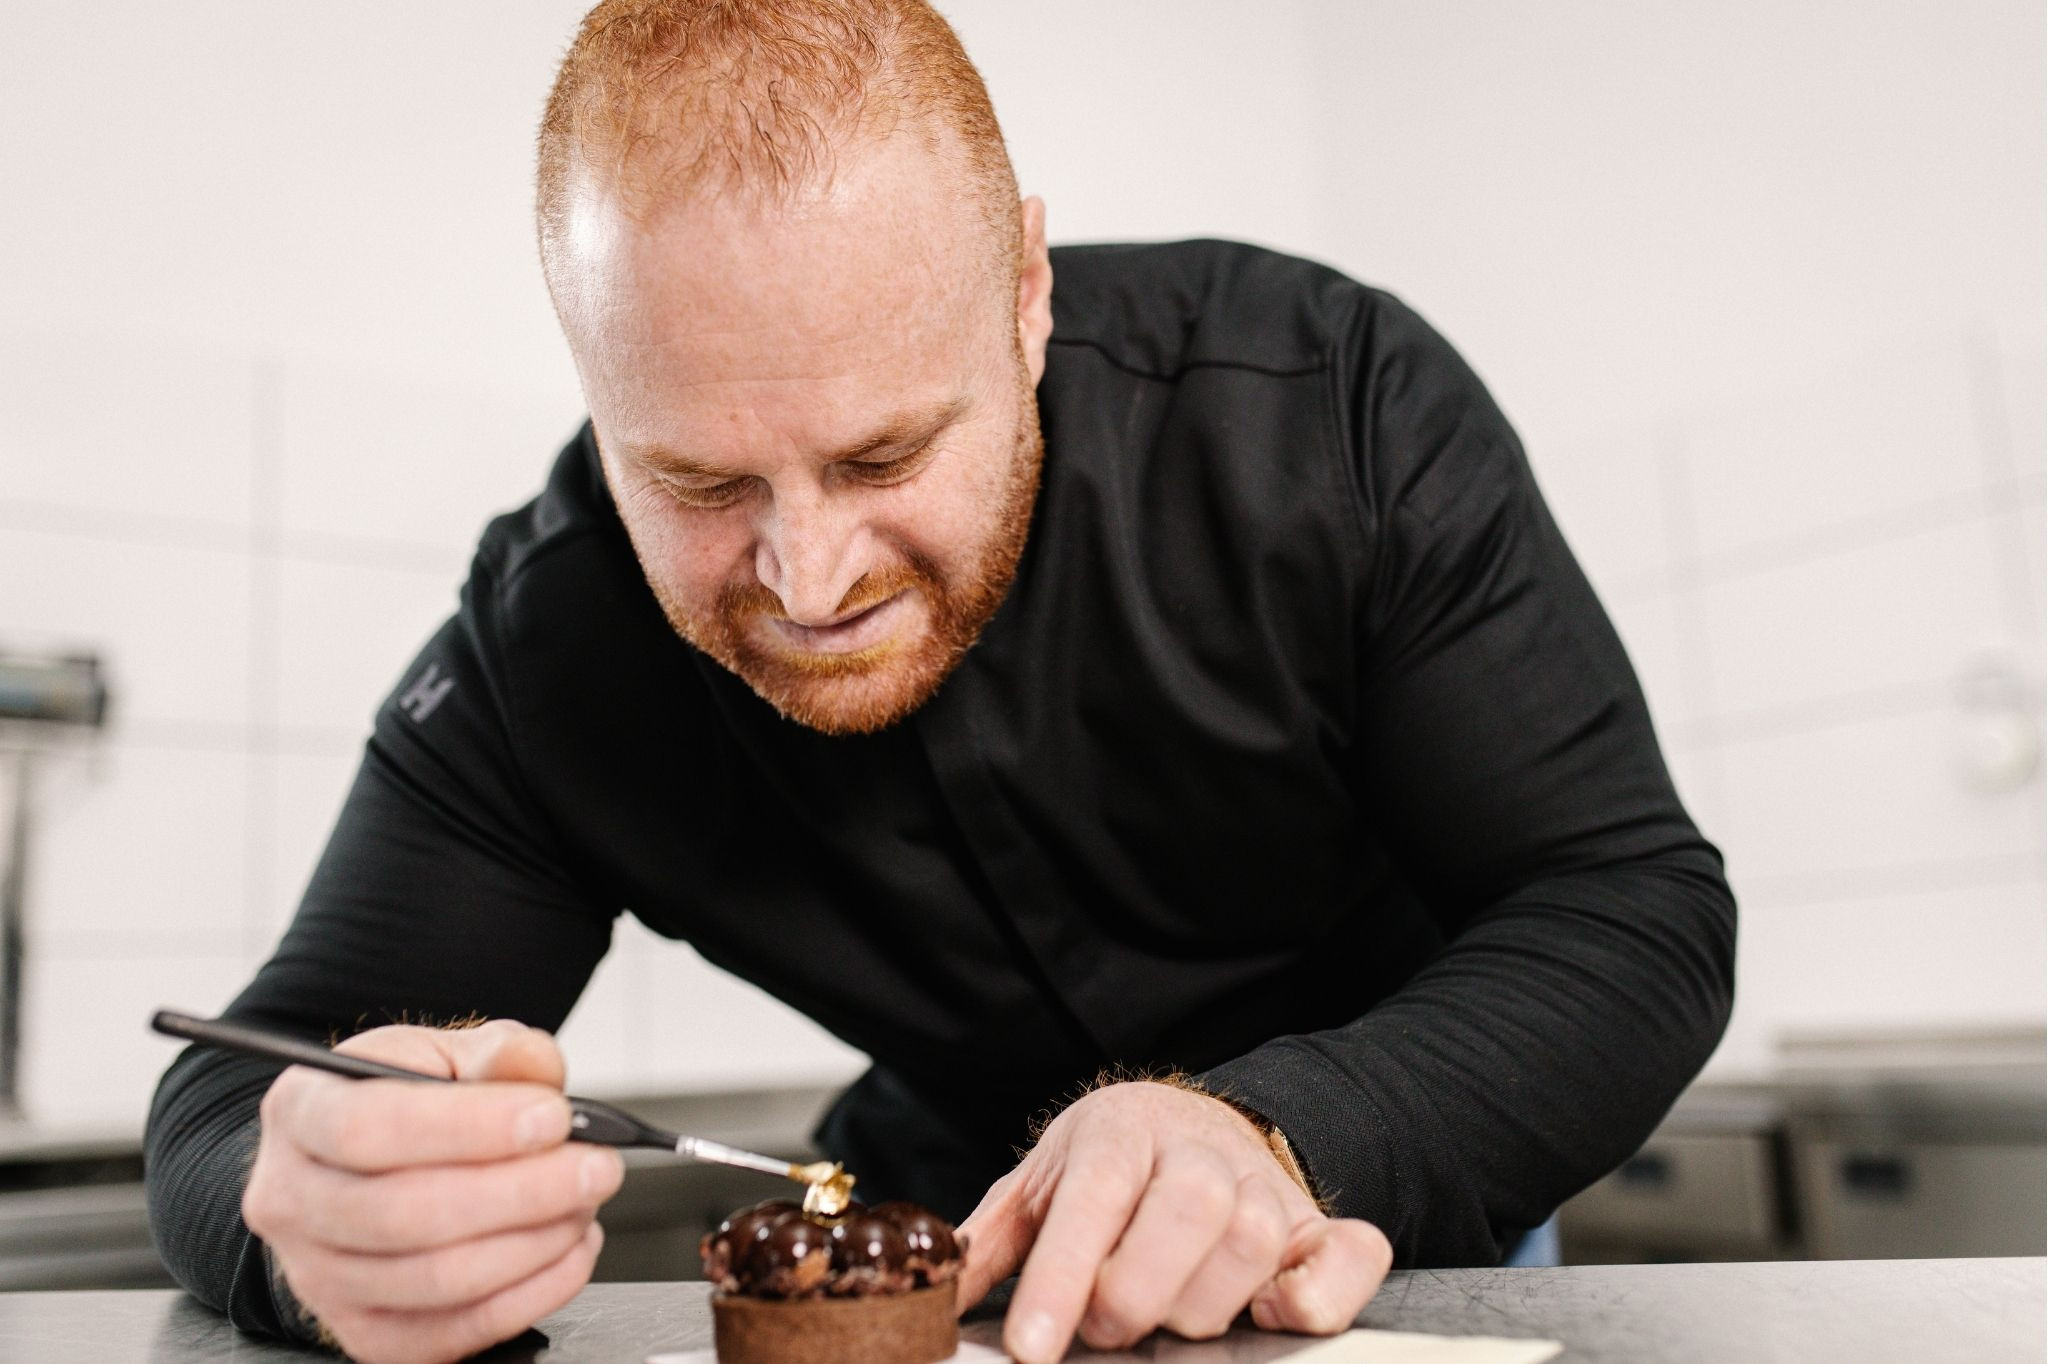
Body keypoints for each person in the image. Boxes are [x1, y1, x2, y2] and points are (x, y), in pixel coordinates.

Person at [144, 3, 1737, 1362]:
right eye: (699, 485)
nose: (812, 579)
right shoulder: (545, 640)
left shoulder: (1329, 409)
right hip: (931, 1251)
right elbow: (238, 1088)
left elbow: (1628, 907)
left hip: (1378, 1189)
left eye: (885, 453)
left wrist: (1279, 1133)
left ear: (1027, 292)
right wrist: (322, 1219)